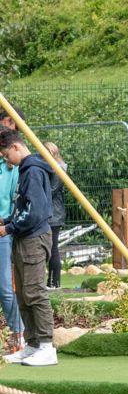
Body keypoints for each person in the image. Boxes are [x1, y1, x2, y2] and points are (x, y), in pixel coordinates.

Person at [0, 127, 57, 366]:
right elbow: (23, 209)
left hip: (34, 239)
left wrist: (9, 229)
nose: (5, 159)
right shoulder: (25, 170)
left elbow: (36, 212)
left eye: (5, 155)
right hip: (25, 239)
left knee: (35, 294)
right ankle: (31, 344)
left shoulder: (32, 171)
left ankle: (46, 346)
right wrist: (9, 221)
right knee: (23, 294)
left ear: (15, 147)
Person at [0, 106, 24, 352]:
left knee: (5, 288)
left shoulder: (11, 166)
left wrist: (6, 223)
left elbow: (15, 200)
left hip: (2, 231)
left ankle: (18, 334)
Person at [44, 141, 66, 289]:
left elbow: (51, 191)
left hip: (54, 214)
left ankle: (54, 282)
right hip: (53, 213)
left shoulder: (58, 169)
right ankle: (52, 282)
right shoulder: (55, 168)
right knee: (51, 248)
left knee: (53, 249)